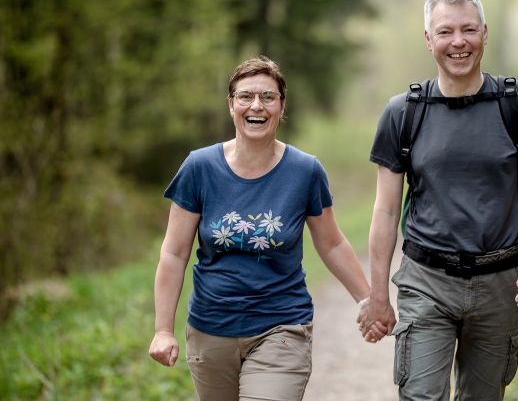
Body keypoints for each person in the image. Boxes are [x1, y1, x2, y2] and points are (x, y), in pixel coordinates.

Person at [357, 0, 518, 400]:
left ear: (485, 33)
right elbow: (384, 211)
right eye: (446, 32)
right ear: (428, 39)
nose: (459, 42)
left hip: (501, 284)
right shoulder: (404, 112)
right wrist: (378, 294)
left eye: (469, 30)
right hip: (425, 281)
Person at [149, 55, 373, 401]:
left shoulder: (305, 171)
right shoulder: (199, 167)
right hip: (210, 331)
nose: (257, 105)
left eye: (268, 97)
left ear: (282, 107)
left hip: (281, 326)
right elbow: (174, 253)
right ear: (231, 105)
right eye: (246, 96)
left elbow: (331, 243)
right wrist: (163, 330)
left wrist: (367, 302)